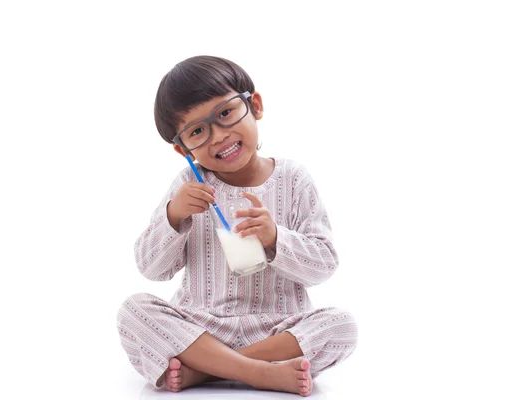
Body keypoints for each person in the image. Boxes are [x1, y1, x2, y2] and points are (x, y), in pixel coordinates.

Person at [116, 55, 357, 396]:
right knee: (134, 310)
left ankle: (208, 372)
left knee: (342, 326)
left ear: (254, 105)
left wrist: (276, 238)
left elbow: (324, 265)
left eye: (225, 113)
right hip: (200, 329)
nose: (218, 137)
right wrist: (174, 215)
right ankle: (258, 372)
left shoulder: (293, 179)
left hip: (277, 329)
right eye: (197, 131)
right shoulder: (189, 185)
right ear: (182, 149)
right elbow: (151, 269)